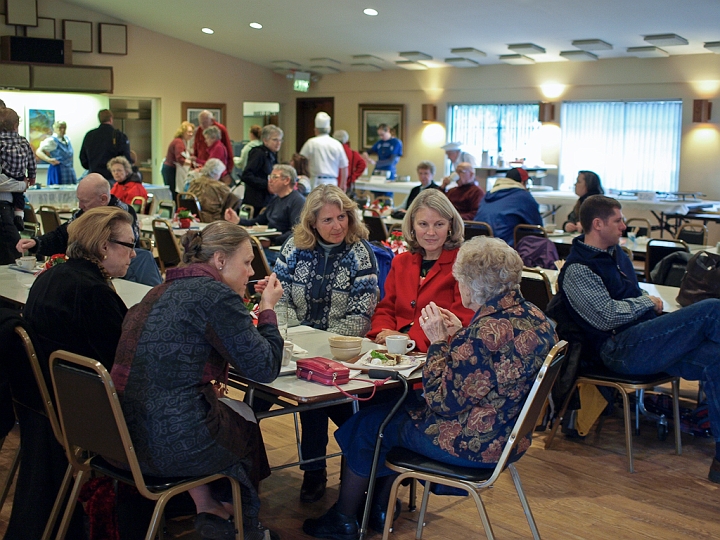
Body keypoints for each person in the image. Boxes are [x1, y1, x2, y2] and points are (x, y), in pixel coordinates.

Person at [303, 236, 557, 538]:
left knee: (370, 425)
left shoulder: (481, 335)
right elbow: (496, 363)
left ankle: (344, 519)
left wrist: (439, 341)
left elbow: (442, 402)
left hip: (474, 444)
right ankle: (378, 509)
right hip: (510, 437)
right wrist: (460, 334)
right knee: (386, 415)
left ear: (473, 285)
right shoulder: (535, 317)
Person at [111, 221, 285, 539]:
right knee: (243, 424)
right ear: (219, 260)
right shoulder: (215, 295)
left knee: (222, 411)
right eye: (246, 262)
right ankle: (244, 525)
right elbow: (264, 367)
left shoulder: (161, 289)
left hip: (118, 436)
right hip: (166, 444)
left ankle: (213, 511)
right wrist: (268, 308)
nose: (251, 272)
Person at [558, 194, 720, 484]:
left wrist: (645, 301)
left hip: (641, 340)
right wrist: (647, 303)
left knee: (715, 359)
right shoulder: (578, 269)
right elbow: (606, 316)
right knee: (711, 310)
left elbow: (632, 295)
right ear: (597, 224)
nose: (623, 227)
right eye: (618, 221)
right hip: (616, 350)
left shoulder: (615, 255)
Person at [9, 207, 136, 540]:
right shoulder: (94, 293)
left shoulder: (52, 276)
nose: (134, 254)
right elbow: (121, 366)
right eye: (128, 245)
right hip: (86, 418)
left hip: (42, 405)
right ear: (104, 246)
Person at [269, 184, 378, 502]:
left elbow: (360, 317)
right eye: (328, 220)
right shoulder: (294, 247)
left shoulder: (361, 253)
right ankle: (313, 471)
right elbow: (279, 296)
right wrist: (290, 334)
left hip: (341, 352)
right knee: (299, 402)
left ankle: (346, 476)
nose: (337, 226)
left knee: (333, 409)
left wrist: (321, 349)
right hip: (297, 346)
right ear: (312, 223)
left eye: (342, 217)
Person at [368, 189, 475, 352]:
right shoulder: (400, 262)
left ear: (450, 227)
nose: (430, 232)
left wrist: (409, 338)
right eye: (423, 224)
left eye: (439, 224)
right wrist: (384, 335)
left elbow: (460, 320)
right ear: (412, 225)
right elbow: (386, 308)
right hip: (393, 348)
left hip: (435, 351)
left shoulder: (463, 265)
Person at [16, 174, 161, 287]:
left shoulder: (121, 216)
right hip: (90, 274)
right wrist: (36, 243)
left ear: (103, 199)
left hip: (123, 273)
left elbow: (125, 250)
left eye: (84, 201)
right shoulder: (83, 214)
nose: (80, 205)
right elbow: (62, 234)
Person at [225, 164, 305, 265]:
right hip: (268, 244)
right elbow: (259, 221)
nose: (270, 181)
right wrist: (238, 221)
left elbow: (297, 231)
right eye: (269, 177)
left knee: (249, 258)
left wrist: (272, 241)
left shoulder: (297, 201)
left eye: (274, 177)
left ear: (287, 180)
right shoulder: (275, 199)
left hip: (283, 249)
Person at [474, 167, 543, 246]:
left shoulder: (488, 194)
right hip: (504, 248)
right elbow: (538, 229)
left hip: (478, 245)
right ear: (523, 182)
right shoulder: (524, 196)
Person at [0, 107, 34, 264]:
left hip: (8, 182)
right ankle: (19, 217)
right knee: (12, 247)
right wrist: (25, 182)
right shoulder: (22, 141)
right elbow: (31, 161)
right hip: (9, 196)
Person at [79, 109, 131, 184]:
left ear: (99, 119)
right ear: (111, 119)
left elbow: (83, 159)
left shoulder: (90, 135)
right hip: (113, 177)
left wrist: (92, 166)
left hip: (95, 176)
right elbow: (126, 159)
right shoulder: (118, 136)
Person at [299, 112, 349, 190]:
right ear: (329, 129)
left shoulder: (311, 143)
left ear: (316, 129)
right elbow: (344, 166)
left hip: (315, 181)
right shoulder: (337, 144)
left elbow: (300, 160)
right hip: (332, 182)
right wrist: (343, 184)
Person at [242, 124, 283, 218]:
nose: (278, 143)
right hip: (256, 201)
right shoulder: (258, 153)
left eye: (280, 140)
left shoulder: (272, 155)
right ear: (265, 140)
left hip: (267, 199)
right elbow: (246, 175)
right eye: (275, 140)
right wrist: (266, 184)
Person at [188, 158, 241, 222]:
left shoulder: (194, 182)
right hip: (212, 220)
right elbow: (235, 199)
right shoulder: (219, 186)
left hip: (192, 217)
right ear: (216, 173)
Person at [192, 110, 234, 178]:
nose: (202, 126)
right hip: (203, 168)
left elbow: (211, 164)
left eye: (205, 123)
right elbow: (195, 148)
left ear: (212, 121)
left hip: (214, 172)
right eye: (200, 123)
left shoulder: (218, 145)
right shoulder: (199, 130)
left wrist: (229, 170)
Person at [35, 120, 77, 185]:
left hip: (69, 170)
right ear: (55, 129)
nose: (62, 130)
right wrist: (48, 159)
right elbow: (38, 151)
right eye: (60, 128)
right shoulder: (52, 141)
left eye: (64, 128)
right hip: (58, 171)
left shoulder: (67, 139)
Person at [162, 121, 194, 200]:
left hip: (171, 168)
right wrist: (192, 164)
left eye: (192, 132)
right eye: (189, 132)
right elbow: (180, 159)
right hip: (171, 170)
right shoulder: (179, 142)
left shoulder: (182, 142)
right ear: (183, 132)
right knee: (174, 193)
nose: (191, 134)